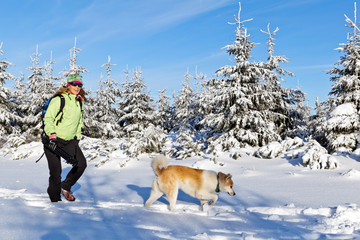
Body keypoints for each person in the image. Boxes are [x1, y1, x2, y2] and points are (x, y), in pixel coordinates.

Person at [43, 74, 87, 202]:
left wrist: (76, 138)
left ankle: (65, 186)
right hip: (53, 140)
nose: (77, 87)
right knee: (56, 172)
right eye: (74, 84)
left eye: (80, 85)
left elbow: (79, 122)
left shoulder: (79, 101)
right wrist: (51, 135)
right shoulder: (59, 99)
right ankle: (55, 200)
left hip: (70, 141)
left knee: (81, 164)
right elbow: (49, 118)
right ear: (68, 85)